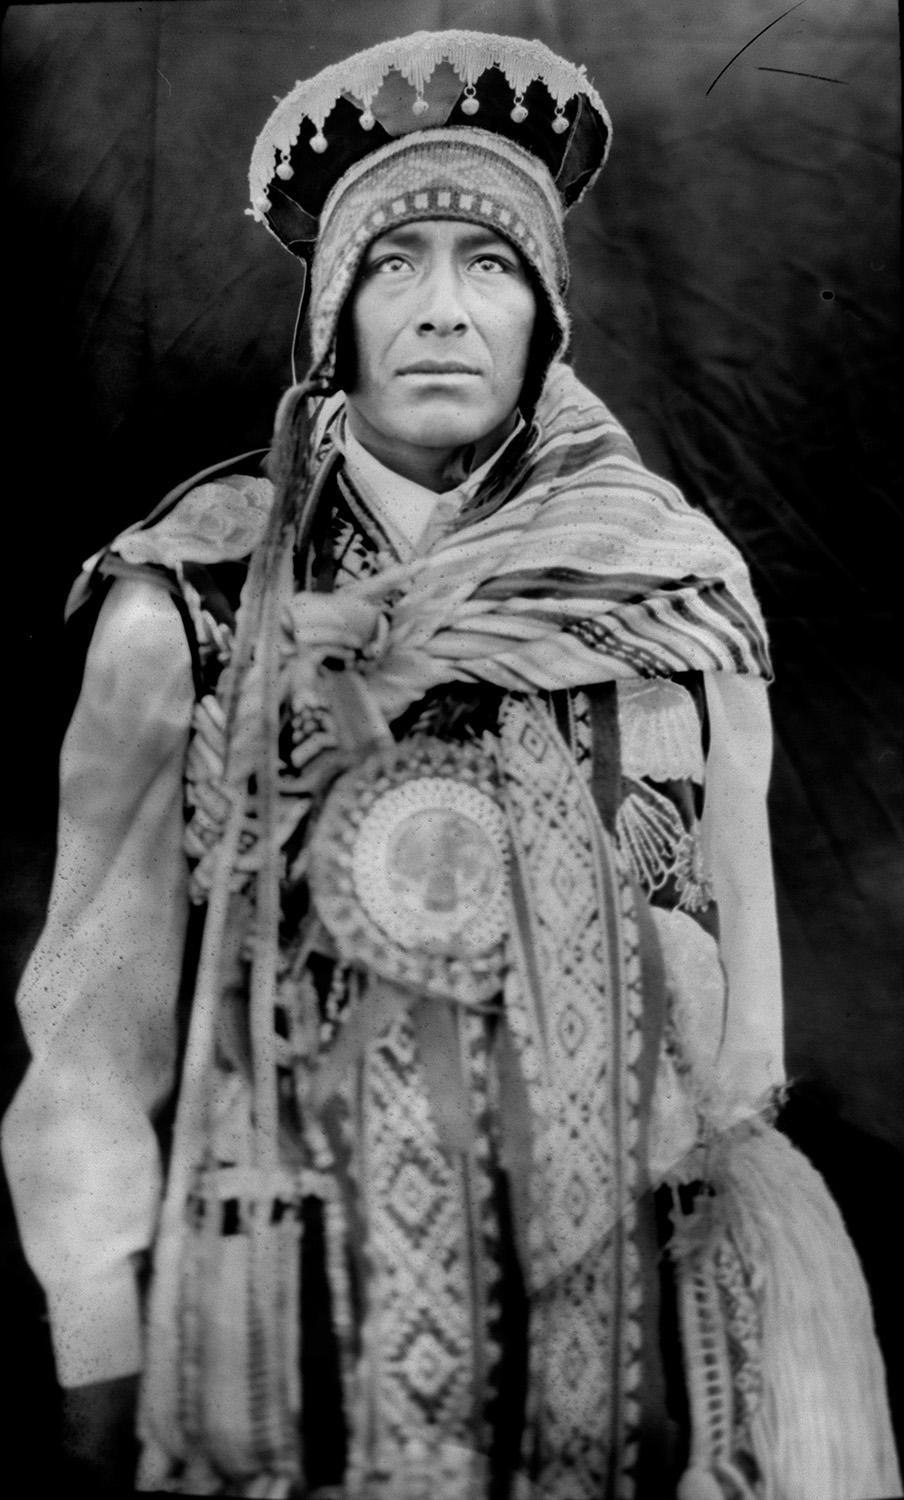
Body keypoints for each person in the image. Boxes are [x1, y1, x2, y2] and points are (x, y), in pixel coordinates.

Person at [2, 29, 900, 1500]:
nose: (439, 309)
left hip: (612, 1367)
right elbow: (91, 1030)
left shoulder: (673, 597)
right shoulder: (193, 607)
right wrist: (97, 1339)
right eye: (391, 262)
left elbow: (742, 1038)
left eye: (486, 267)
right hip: (285, 1355)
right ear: (331, 314)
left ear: (545, 319)